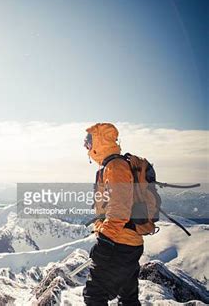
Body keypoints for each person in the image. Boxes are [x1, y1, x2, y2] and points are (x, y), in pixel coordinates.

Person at [83, 123, 144, 306]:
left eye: (88, 141)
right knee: (128, 298)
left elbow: (119, 210)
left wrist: (104, 241)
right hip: (128, 243)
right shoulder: (113, 166)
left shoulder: (115, 167)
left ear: (99, 142)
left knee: (94, 295)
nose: (86, 147)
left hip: (118, 244)